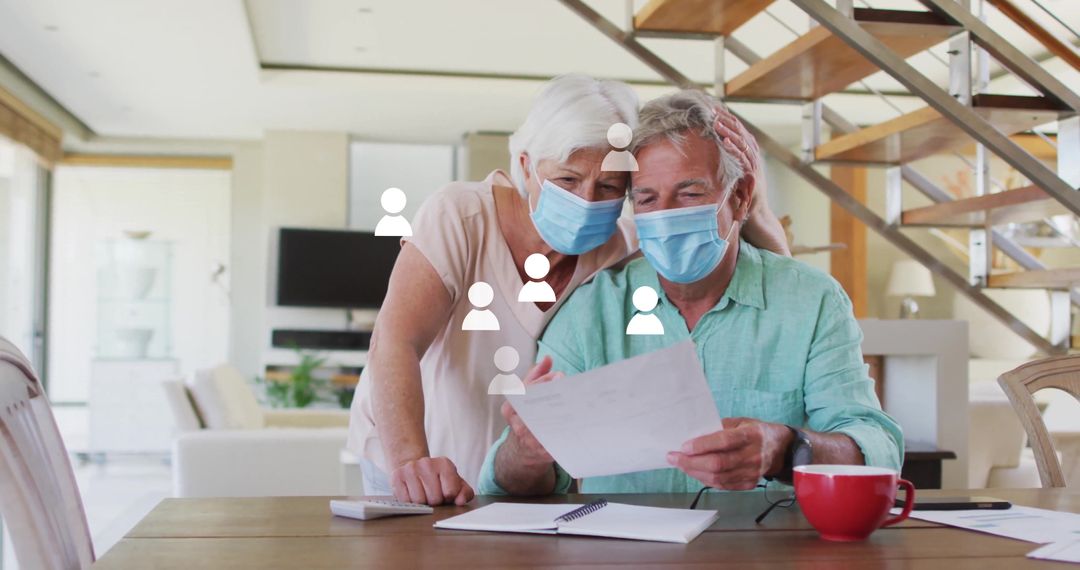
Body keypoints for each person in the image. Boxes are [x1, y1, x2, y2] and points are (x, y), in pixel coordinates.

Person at [348, 75, 792, 506]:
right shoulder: (461, 216)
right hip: (418, 461)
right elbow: (395, 341)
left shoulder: (626, 243)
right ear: (526, 166)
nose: (586, 200)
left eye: (609, 187)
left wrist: (752, 201)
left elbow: (770, 284)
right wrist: (411, 460)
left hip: (522, 482)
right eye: (567, 180)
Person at [478, 90, 903, 496]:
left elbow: (877, 449)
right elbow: (510, 484)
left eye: (689, 193)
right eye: (646, 198)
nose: (665, 216)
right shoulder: (591, 312)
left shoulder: (811, 303)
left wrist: (787, 449)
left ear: (738, 197)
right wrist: (527, 450)